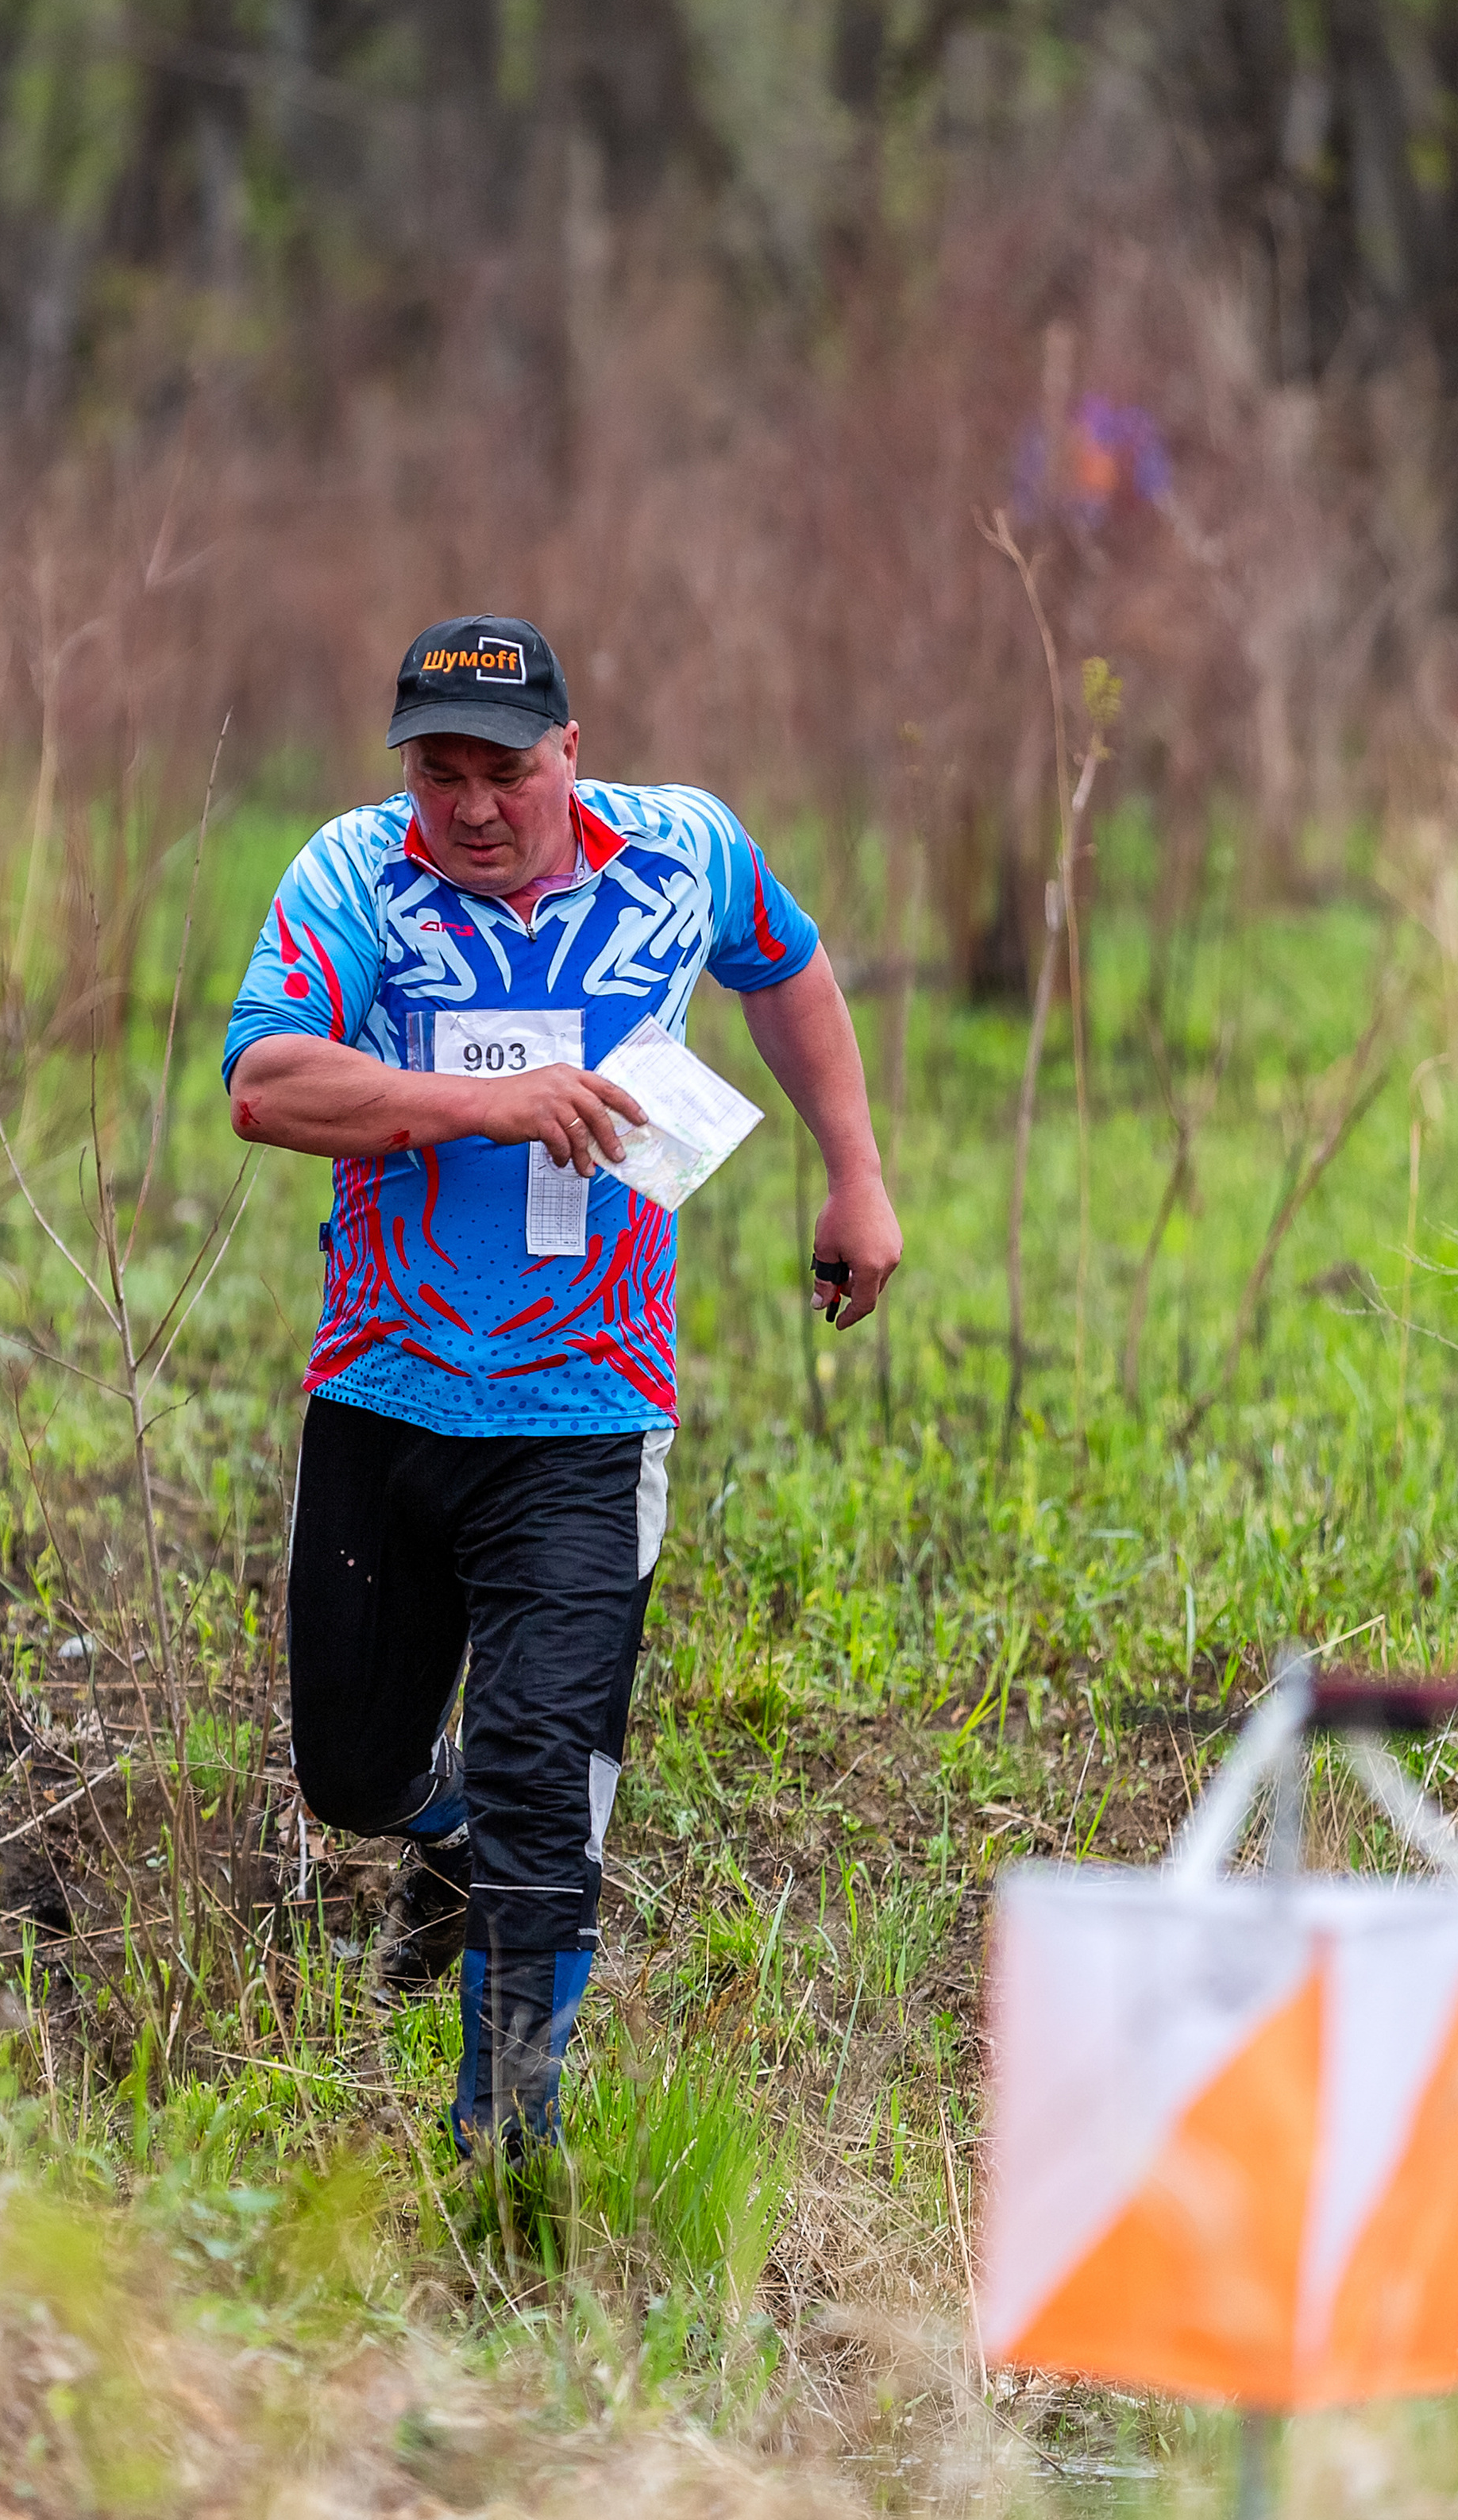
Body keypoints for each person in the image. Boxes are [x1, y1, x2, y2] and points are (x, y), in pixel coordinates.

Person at [224, 616, 901, 2152]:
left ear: (570, 756)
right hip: (383, 1395)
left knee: (546, 1780)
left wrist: (855, 1175)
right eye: (436, 773)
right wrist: (487, 1102)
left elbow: (788, 973)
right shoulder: (349, 878)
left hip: (591, 1414)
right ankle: (438, 1831)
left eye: (505, 772)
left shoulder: (683, 856)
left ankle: (505, 2148)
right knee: (349, 1769)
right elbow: (267, 1086)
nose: (468, 807)